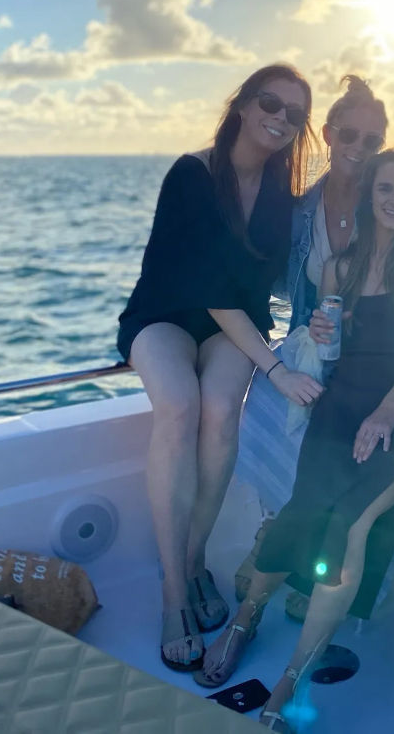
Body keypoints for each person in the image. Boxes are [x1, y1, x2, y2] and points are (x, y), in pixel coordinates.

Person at [193, 149, 394, 734]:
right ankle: (245, 620)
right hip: (340, 406)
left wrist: (387, 411)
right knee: (302, 512)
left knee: (350, 531)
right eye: (385, 188)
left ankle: (290, 680)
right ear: (370, 195)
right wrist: (320, 333)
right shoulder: (344, 266)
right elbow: (331, 352)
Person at [115, 65, 324, 672]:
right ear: (241, 104)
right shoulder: (194, 173)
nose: (280, 119)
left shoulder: (284, 197)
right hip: (166, 315)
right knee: (179, 405)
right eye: (270, 102)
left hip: (236, 326)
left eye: (295, 113)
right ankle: (174, 593)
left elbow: (302, 266)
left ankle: (194, 557)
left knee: (220, 411)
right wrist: (277, 368)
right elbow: (209, 287)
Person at [233, 77, 388, 612]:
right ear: (326, 133)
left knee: (335, 421)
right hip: (308, 344)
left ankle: (307, 568)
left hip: (371, 353)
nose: (358, 148)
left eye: (372, 140)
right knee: (270, 400)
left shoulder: (388, 208)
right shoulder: (298, 212)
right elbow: (253, 276)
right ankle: (274, 530)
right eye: (348, 133)